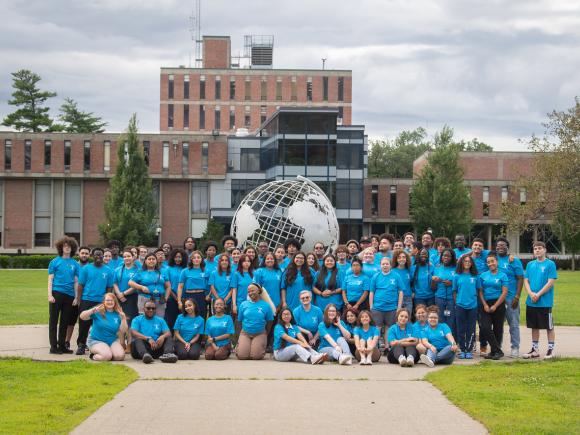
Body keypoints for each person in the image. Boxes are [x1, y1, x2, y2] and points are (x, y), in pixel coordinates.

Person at [76, 247, 114, 355]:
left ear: (103, 256)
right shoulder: (86, 269)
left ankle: (98, 345)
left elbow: (109, 288)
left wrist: (106, 300)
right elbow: (80, 285)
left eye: (100, 255)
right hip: (87, 300)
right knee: (84, 324)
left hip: (100, 301)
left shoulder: (108, 271)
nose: (99, 257)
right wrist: (79, 300)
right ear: (92, 256)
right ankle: (81, 345)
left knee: (99, 324)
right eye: (96, 255)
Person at [522, 241, 557, 360]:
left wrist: (538, 294)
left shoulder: (550, 264)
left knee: (549, 326)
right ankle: (535, 349)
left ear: (545, 250)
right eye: (535, 248)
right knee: (534, 326)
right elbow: (526, 280)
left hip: (545, 302)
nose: (537, 250)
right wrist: (531, 294)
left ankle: (550, 349)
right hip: (531, 301)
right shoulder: (530, 264)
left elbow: (551, 282)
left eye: (540, 248)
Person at [47, 236, 80, 354]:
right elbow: (50, 279)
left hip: (70, 296)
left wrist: (76, 297)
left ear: (73, 248)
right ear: (61, 247)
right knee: (53, 321)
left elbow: (76, 281)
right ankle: (53, 347)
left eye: (69, 246)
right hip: (56, 294)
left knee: (65, 322)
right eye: (65, 246)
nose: (67, 248)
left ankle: (62, 346)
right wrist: (50, 295)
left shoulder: (75, 264)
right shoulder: (55, 262)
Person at [495, 237, 524, 358]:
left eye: (503, 245)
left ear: (507, 247)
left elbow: (520, 278)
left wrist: (517, 296)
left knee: (513, 324)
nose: (500, 247)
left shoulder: (514, 261)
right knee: (497, 325)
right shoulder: (493, 259)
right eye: (498, 245)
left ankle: (515, 347)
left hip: (511, 298)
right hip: (496, 299)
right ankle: (497, 347)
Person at [80, 293, 127, 361]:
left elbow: (123, 330)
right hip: (96, 340)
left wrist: (123, 318)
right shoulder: (98, 311)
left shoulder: (118, 313)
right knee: (106, 356)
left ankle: (107, 352)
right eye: (107, 300)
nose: (110, 302)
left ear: (115, 302)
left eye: (112, 300)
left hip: (112, 340)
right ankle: (94, 355)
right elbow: (82, 317)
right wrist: (92, 310)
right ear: (104, 302)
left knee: (119, 356)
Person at [479, 252, 508, 360]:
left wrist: (495, 306)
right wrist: (485, 305)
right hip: (486, 303)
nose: (491, 263)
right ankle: (498, 351)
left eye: (493, 261)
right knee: (485, 327)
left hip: (499, 304)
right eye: (488, 262)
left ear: (497, 262)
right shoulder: (483, 276)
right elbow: (480, 292)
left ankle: (493, 352)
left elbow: (504, 292)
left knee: (498, 329)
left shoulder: (503, 275)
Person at [369, 257, 404, 344]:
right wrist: (371, 306)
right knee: (377, 327)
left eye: (387, 264)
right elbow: (371, 292)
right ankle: (375, 346)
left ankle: (387, 347)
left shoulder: (396, 276)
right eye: (383, 264)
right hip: (377, 307)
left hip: (391, 307)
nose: (385, 265)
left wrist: (399, 307)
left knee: (389, 327)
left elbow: (400, 292)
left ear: (390, 265)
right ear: (380, 265)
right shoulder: (375, 276)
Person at [236, 283, 274, 360]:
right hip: (245, 333)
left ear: (259, 291)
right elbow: (239, 321)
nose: (250, 293)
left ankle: (257, 346)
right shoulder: (243, 304)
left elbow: (270, 321)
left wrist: (266, 332)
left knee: (256, 356)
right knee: (242, 356)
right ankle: (241, 346)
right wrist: (240, 334)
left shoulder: (266, 305)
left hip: (259, 333)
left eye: (252, 290)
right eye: (248, 291)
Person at [453, 255, 480, 359]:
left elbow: (478, 290)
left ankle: (469, 350)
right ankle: (462, 349)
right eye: (465, 261)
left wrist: (474, 299)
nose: (467, 263)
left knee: (471, 328)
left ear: (472, 263)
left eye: (469, 261)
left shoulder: (475, 276)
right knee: (460, 328)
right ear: (461, 263)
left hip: (472, 306)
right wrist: (457, 302)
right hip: (460, 305)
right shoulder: (457, 276)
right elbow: (454, 291)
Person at [113, 248, 140, 351]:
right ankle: (121, 343)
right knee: (120, 320)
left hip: (131, 298)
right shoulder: (118, 269)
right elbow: (115, 283)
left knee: (129, 321)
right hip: (119, 297)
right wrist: (119, 294)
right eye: (124, 256)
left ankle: (129, 343)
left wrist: (124, 293)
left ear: (133, 257)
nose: (126, 258)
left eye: (128, 256)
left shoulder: (137, 270)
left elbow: (136, 285)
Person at [65, 245, 91, 350]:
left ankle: (84, 343)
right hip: (73, 298)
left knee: (85, 323)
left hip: (86, 299)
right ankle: (66, 341)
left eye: (86, 253)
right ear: (78, 254)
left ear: (89, 255)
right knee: (70, 321)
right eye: (82, 253)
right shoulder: (74, 266)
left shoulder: (91, 267)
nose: (84, 255)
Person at [432, 248, 457, 337]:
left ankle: (452, 341)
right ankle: (441, 339)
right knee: (440, 319)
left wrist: (451, 283)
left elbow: (461, 282)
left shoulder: (457, 268)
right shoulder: (437, 268)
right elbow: (433, 287)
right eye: (444, 255)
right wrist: (434, 281)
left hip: (451, 298)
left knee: (451, 320)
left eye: (448, 256)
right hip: (439, 297)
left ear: (452, 257)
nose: (445, 257)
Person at [177, 250, 208, 319]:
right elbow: (180, 287)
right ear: (191, 259)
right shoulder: (185, 271)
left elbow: (211, 285)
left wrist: (208, 295)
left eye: (198, 257)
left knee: (201, 316)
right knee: (188, 316)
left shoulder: (206, 271)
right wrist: (179, 301)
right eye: (194, 258)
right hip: (189, 296)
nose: (196, 259)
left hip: (201, 296)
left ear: (201, 259)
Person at [163, 248, 187, 330]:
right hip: (171, 298)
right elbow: (167, 285)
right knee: (171, 320)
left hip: (185, 298)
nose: (178, 259)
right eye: (176, 257)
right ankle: (171, 339)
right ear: (173, 257)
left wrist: (180, 298)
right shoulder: (168, 269)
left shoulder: (186, 269)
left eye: (180, 257)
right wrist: (176, 298)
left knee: (183, 320)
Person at [391, 249, 413, 314]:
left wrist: (413, 291)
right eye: (399, 257)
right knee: (397, 318)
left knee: (407, 317)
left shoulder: (409, 270)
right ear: (396, 259)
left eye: (404, 257)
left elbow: (412, 282)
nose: (402, 259)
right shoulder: (392, 271)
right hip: (396, 298)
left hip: (408, 298)